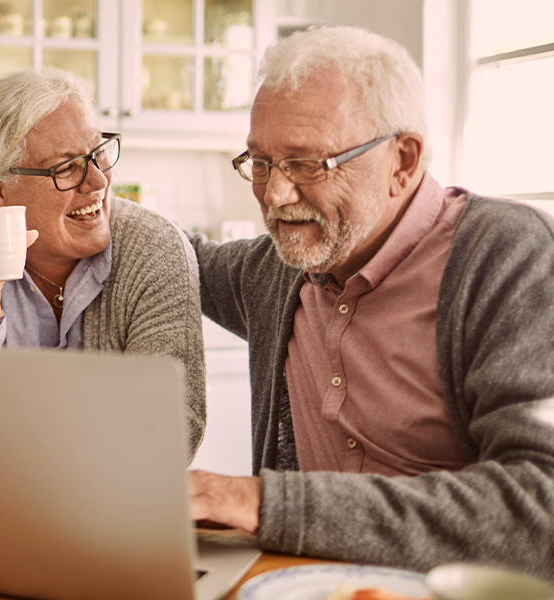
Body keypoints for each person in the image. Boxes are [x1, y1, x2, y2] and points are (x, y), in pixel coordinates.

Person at [188, 26, 554, 577]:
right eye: (260, 162)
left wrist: (259, 503)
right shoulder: (275, 268)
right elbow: (177, 256)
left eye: (307, 164)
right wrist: (78, 189)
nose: (275, 194)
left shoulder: (510, 257)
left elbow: (538, 508)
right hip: (299, 586)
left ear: (403, 160)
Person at [0, 68, 208, 457]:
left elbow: (174, 428)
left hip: (112, 504)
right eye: (65, 167)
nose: (98, 182)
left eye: (97, 154)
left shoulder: (154, 248)